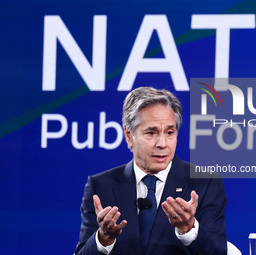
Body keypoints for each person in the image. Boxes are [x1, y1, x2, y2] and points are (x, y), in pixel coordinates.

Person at [75, 87, 228, 255]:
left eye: (170, 132)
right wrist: (103, 239)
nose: (162, 143)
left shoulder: (204, 183)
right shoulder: (100, 186)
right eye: (151, 133)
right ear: (128, 135)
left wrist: (189, 229)